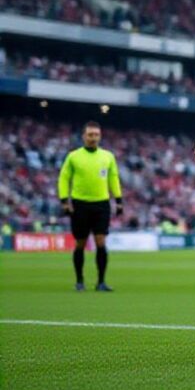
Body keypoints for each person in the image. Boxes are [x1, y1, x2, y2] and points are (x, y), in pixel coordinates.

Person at [58, 121, 123, 292]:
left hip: (101, 204)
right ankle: (79, 281)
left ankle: (101, 282)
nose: (93, 138)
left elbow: (113, 178)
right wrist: (64, 201)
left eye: (96, 135)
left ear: (100, 136)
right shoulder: (74, 156)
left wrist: (118, 199)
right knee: (80, 243)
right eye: (90, 135)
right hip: (80, 204)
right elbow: (64, 178)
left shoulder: (107, 156)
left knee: (101, 242)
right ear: (83, 136)